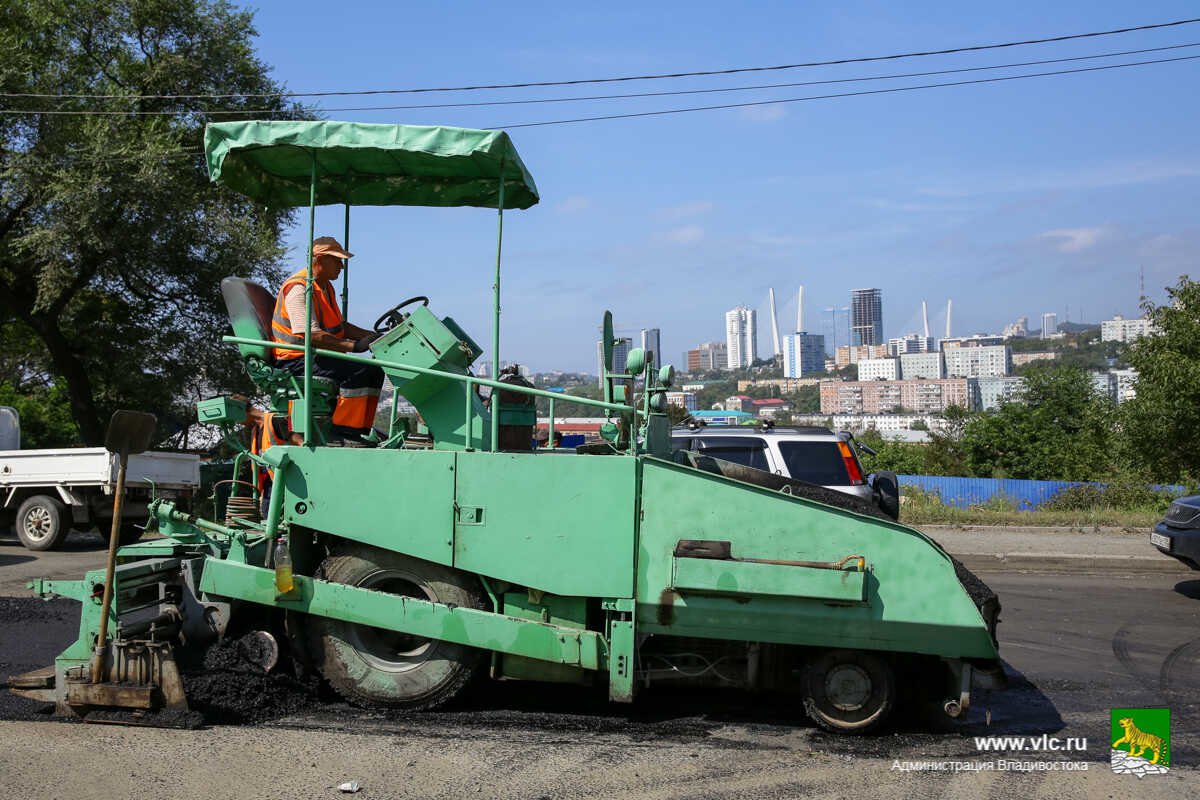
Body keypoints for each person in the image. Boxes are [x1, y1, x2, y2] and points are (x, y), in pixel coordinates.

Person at [270, 236, 385, 441]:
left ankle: (360, 429)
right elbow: (310, 334)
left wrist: (372, 337)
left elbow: (341, 327)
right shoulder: (298, 288)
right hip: (294, 360)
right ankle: (344, 432)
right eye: (337, 260)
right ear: (320, 259)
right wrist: (354, 346)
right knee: (359, 370)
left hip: (313, 356)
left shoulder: (325, 287)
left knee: (375, 371)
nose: (341, 266)